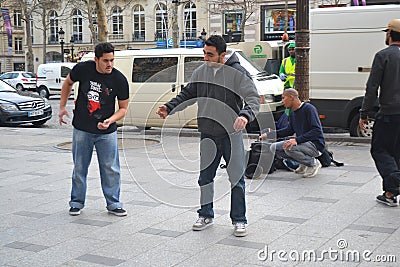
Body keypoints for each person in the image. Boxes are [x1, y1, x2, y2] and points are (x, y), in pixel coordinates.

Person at [156, 35, 260, 237]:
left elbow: (253, 98)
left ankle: (239, 220)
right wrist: (169, 107)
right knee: (205, 177)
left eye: (210, 55)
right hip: (208, 134)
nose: (205, 58)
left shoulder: (237, 73)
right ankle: (205, 214)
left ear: (222, 56)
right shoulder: (201, 71)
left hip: (231, 134)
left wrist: (245, 116)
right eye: (204, 53)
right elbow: (187, 94)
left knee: (236, 178)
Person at [59, 42, 130, 216]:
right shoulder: (83, 69)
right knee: (80, 167)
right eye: (105, 61)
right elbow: (68, 83)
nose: (110, 65)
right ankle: (76, 202)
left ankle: (114, 203)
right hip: (82, 128)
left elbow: (123, 109)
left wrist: (109, 120)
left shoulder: (119, 79)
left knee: (111, 168)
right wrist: (62, 107)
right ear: (96, 59)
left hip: (107, 132)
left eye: (112, 60)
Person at [359, 19, 400, 207]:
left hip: (389, 113)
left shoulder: (383, 56)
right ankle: (390, 193)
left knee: (380, 150)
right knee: (396, 152)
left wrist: (364, 113)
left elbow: (372, 87)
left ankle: (394, 182)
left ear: (390, 34)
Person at [259, 89, 324, 178]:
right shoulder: (293, 113)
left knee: (289, 147)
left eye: (283, 98)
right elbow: (289, 130)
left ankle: (313, 163)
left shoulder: (309, 109)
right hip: (302, 143)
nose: (282, 101)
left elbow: (316, 130)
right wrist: (268, 135)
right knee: (273, 147)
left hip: (315, 145)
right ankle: (303, 163)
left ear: (291, 97)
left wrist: (296, 140)